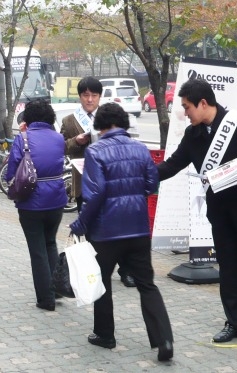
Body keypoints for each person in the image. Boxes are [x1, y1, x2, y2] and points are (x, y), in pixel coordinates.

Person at [156, 78, 237, 343]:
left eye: (187, 106)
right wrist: (138, 174)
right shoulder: (192, 136)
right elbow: (171, 166)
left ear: (203, 103)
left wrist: (233, 173)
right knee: (228, 270)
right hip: (222, 215)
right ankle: (235, 324)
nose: (184, 112)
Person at [69, 102, 174, 361]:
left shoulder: (95, 151)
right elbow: (152, 183)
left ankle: (105, 335)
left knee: (102, 281)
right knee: (146, 284)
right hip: (138, 228)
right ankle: (164, 341)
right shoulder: (140, 149)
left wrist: (80, 223)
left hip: (106, 232)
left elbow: (95, 194)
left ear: (101, 125)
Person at [60, 76, 135, 288]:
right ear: (80, 96)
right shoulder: (69, 120)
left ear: (100, 96)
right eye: (86, 95)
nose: (90, 99)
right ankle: (96, 270)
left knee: (118, 228)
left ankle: (126, 270)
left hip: (112, 181)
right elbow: (62, 146)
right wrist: (77, 141)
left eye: (94, 95)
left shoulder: (109, 116)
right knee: (92, 230)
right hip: (84, 182)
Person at [6, 99, 68, 311]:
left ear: (28, 118)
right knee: (50, 243)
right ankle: (56, 289)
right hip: (57, 201)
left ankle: (46, 300)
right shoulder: (59, 138)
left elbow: (10, 173)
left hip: (31, 202)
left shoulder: (22, 138)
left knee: (37, 250)